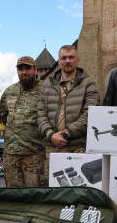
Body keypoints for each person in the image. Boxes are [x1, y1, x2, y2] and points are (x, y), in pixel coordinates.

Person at [37, 45, 99, 184]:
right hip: (53, 147)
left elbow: (91, 113)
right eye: (63, 58)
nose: (67, 61)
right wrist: (50, 134)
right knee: (54, 189)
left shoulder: (88, 84)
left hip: (78, 147)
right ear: (58, 62)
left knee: (80, 189)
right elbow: (41, 113)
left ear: (78, 59)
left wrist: (67, 134)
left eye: (71, 57)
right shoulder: (47, 85)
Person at [0, 56, 45, 187]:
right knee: (13, 195)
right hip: (11, 155)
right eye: (20, 69)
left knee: (36, 195)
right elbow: (3, 116)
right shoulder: (9, 91)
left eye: (27, 68)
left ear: (35, 69)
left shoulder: (46, 90)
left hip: (34, 154)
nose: (24, 72)